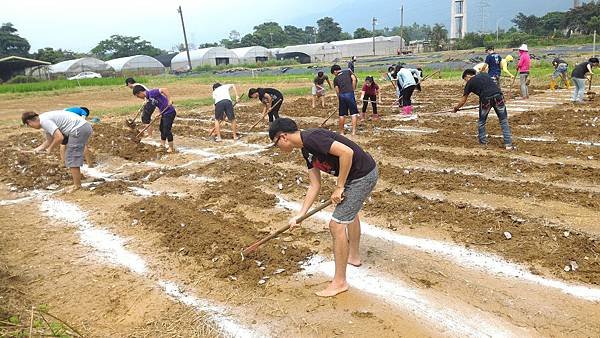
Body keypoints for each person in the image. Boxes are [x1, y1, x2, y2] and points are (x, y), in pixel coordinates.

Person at [269, 118, 378, 297]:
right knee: (349, 213)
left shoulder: (312, 138)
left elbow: (347, 153)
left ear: (283, 137)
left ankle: (340, 282)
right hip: (356, 175)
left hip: (362, 175)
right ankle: (354, 256)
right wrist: (300, 215)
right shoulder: (306, 150)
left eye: (276, 144)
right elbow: (314, 185)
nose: (278, 148)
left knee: (336, 225)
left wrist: (340, 186)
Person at [22, 110, 93, 192]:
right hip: (82, 127)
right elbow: (49, 140)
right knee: (72, 155)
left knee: (72, 156)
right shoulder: (43, 120)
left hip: (79, 129)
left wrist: (50, 149)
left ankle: (77, 186)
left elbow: (59, 138)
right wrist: (36, 149)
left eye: (29, 126)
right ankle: (77, 183)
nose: (32, 128)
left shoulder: (44, 121)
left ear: (29, 122)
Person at [453, 69, 513, 150]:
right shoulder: (485, 75)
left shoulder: (469, 83)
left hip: (485, 100)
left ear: (467, 76)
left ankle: (483, 142)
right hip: (498, 96)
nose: (465, 81)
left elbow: (463, 100)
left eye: (465, 79)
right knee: (503, 121)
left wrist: (456, 108)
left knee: (482, 122)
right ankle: (508, 144)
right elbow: (494, 86)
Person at [133, 85, 176, 153]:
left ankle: (171, 148)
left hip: (170, 112)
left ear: (140, 92)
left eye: (138, 96)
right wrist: (159, 113)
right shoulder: (149, 97)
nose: (139, 98)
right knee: (162, 129)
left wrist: (169, 99)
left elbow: (164, 89)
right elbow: (158, 103)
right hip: (164, 113)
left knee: (166, 130)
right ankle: (162, 145)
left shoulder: (151, 93)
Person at [331, 64, 359, 136]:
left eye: (334, 74)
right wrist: (353, 89)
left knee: (342, 115)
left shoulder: (336, 79)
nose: (334, 75)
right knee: (353, 113)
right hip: (350, 94)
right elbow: (354, 79)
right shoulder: (348, 72)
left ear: (335, 71)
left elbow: (337, 90)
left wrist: (339, 98)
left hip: (342, 95)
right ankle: (353, 132)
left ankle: (341, 132)